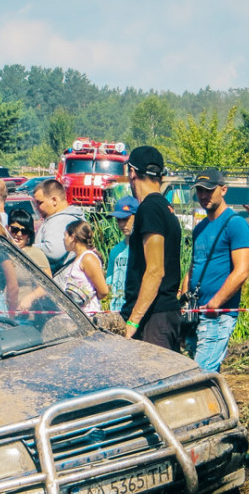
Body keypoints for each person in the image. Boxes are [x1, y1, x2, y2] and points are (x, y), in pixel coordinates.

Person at [184, 168, 249, 373]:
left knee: (200, 375)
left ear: (223, 190)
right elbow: (193, 266)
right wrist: (183, 298)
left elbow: (242, 271)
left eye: (209, 190)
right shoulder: (199, 228)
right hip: (195, 313)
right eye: (200, 191)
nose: (203, 195)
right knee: (201, 373)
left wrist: (216, 303)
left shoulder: (235, 224)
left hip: (217, 315)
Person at [120, 146, 182, 349]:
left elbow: (155, 271)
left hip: (154, 318)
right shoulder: (165, 208)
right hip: (162, 315)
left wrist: (132, 322)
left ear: (132, 172)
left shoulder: (150, 208)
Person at [32, 179, 85, 274]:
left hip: (59, 281)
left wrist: (28, 249)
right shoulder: (64, 218)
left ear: (54, 200)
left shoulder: (61, 220)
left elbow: (53, 251)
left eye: (40, 203)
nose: (37, 207)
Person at [60, 219, 110, 316]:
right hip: (76, 315)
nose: (63, 239)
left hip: (88, 315)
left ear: (72, 237)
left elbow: (103, 290)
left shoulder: (88, 258)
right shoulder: (77, 258)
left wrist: (86, 298)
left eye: (65, 235)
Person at [106, 195, 138, 313]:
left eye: (126, 219)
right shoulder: (115, 251)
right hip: (116, 309)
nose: (122, 224)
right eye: (118, 220)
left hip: (134, 309)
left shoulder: (142, 250)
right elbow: (109, 282)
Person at [5, 206, 51, 275]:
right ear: (7, 228)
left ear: (29, 234)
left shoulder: (36, 254)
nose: (19, 234)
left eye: (24, 231)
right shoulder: (1, 250)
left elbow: (47, 280)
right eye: (15, 229)